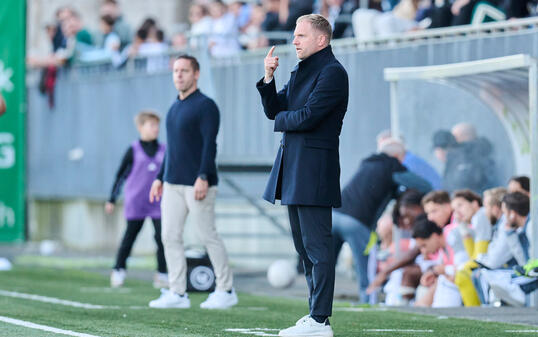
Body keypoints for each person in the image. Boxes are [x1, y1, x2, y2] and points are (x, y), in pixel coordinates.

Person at [256, 14, 348, 337]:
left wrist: (281, 120)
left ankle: (320, 319)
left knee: (318, 248)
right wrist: (268, 79)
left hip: (314, 172)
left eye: (301, 36)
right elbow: (274, 109)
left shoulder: (333, 73)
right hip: (294, 168)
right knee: (304, 248)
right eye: (295, 36)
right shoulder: (300, 70)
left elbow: (308, 117)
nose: (294, 41)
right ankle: (315, 315)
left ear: (321, 40)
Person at [148, 55, 236, 310]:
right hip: (172, 184)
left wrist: (203, 176)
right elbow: (172, 149)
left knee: (207, 235)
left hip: (198, 183)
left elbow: (210, 145)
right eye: (176, 71)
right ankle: (177, 293)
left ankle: (226, 289)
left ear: (196, 74)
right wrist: (159, 178)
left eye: (184, 71)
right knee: (169, 236)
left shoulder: (206, 106)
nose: (179, 75)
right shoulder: (174, 107)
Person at [332, 139, 431, 303]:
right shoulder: (393, 166)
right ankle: (369, 299)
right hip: (357, 222)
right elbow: (424, 186)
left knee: (326, 263)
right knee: (366, 266)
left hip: (334, 215)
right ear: (399, 156)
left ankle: (316, 301)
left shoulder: (367, 163)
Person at [105, 111, 167, 288]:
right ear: (141, 127)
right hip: (136, 202)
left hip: (158, 203)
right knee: (129, 237)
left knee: (162, 238)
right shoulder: (133, 150)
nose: (155, 129)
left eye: (157, 125)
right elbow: (120, 176)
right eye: (151, 125)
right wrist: (111, 199)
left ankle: (162, 273)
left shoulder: (164, 150)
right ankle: (118, 270)